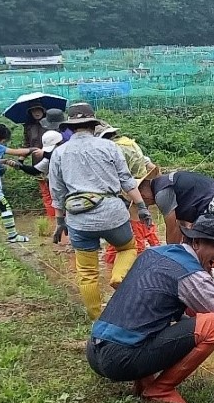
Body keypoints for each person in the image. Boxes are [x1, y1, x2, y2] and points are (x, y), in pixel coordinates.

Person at [86, 215, 214, 403]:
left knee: (165, 321)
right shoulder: (192, 274)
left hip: (95, 351)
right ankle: (160, 389)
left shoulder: (153, 253)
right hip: (118, 360)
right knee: (213, 325)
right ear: (196, 243)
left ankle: (144, 381)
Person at [49, 102, 152, 320]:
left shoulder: (59, 153)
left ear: (71, 126)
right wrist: (141, 207)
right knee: (127, 248)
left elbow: (56, 191)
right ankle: (118, 277)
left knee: (87, 273)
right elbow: (126, 180)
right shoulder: (109, 147)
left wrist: (60, 222)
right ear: (93, 124)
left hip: (79, 218)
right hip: (112, 214)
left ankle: (97, 319)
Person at [137, 171, 214, 269]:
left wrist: (170, 255)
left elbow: (172, 227)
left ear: (142, 195)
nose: (147, 204)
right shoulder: (168, 181)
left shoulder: (161, 194)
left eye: (143, 201)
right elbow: (182, 226)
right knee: (206, 244)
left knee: (209, 244)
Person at [95, 122, 161, 260]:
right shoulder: (129, 143)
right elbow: (147, 163)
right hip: (142, 185)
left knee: (126, 226)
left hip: (128, 190)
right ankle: (158, 252)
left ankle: (128, 260)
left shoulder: (113, 148)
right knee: (143, 221)